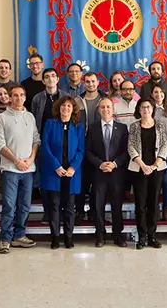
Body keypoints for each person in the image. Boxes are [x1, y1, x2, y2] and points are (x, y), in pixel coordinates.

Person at [0, 84, 40, 253]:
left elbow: (36, 139)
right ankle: (5, 239)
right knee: (9, 205)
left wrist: (31, 158)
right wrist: (16, 161)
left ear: (25, 98)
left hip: (28, 168)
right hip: (10, 169)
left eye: (21, 95)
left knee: (25, 205)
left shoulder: (30, 116)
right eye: (15, 95)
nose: (18, 98)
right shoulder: (2, 118)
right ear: (10, 97)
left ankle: (19, 236)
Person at [85, 98, 129, 247]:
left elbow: (126, 151)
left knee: (117, 205)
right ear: (98, 110)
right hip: (99, 172)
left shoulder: (122, 128)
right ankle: (100, 236)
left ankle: (118, 236)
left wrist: (115, 164)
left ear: (113, 109)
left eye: (108, 107)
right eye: (102, 107)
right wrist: (100, 164)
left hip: (116, 173)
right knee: (98, 205)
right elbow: (88, 151)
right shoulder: (92, 128)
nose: (106, 110)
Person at [41, 96, 84, 249]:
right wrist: (56, 166)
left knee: (70, 206)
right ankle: (55, 237)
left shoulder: (78, 126)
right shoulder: (50, 123)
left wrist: (73, 168)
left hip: (71, 173)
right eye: (63, 106)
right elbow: (45, 146)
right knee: (54, 205)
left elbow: (81, 150)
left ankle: (68, 237)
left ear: (73, 109)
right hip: (55, 172)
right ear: (58, 108)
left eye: (69, 106)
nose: (65, 108)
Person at [128, 99, 167, 249]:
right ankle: (142, 236)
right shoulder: (134, 126)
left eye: (148, 107)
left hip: (157, 169)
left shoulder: (160, 126)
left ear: (152, 109)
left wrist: (155, 165)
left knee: (153, 203)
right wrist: (143, 165)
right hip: (139, 169)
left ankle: (152, 235)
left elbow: (164, 145)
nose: (145, 110)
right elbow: (131, 146)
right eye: (143, 107)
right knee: (140, 204)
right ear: (139, 110)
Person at [74, 72, 104, 224]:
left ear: (98, 83)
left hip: (100, 147)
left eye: (93, 81)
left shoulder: (105, 100)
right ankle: (79, 211)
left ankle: (94, 211)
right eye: (87, 82)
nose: (90, 84)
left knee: (97, 181)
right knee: (82, 181)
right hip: (81, 145)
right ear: (83, 83)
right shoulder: (77, 101)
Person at [152, 84, 167, 221]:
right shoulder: (148, 108)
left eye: (161, 92)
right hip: (151, 151)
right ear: (151, 94)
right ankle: (155, 207)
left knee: (166, 180)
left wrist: (164, 147)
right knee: (155, 180)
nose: (158, 95)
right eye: (156, 92)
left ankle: (165, 207)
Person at [32, 68, 68, 134]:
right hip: (43, 135)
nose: (50, 79)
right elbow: (33, 118)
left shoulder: (66, 97)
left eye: (53, 76)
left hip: (62, 134)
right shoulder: (37, 98)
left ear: (57, 79)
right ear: (43, 81)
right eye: (47, 77)